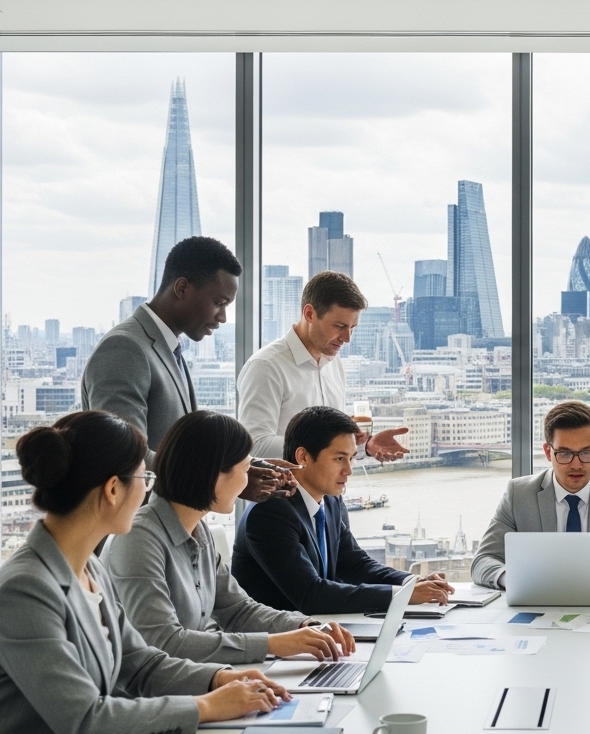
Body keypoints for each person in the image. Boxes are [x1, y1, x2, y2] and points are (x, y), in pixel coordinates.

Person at [0, 411, 289, 734]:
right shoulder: (24, 590)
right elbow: (85, 720)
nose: (149, 490)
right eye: (144, 478)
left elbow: (141, 665)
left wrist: (218, 678)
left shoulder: (89, 568)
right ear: (114, 489)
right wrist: (208, 705)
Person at [106, 410, 357, 665]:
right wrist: (274, 644)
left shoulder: (199, 532)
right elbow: (164, 642)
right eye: (246, 469)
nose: (248, 482)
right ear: (212, 473)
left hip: (199, 677)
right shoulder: (139, 538)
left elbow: (238, 610)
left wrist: (307, 625)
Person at [82, 235, 289, 501]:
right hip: (138, 531)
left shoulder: (167, 347)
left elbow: (188, 449)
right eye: (219, 303)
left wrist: (247, 468)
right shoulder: (124, 348)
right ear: (181, 288)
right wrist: (222, 482)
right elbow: (127, 458)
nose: (223, 317)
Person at [232, 406, 453, 613]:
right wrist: (401, 595)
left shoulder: (330, 500)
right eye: (339, 459)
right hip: (277, 642)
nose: (348, 471)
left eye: (351, 459)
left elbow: (354, 564)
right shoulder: (270, 512)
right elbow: (311, 595)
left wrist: (410, 581)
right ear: (303, 457)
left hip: (320, 630)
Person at [472, 400, 590, 590]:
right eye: (564, 454)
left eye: (586, 453)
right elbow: (482, 561)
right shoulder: (519, 494)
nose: (576, 465)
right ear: (548, 452)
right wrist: (514, 579)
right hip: (536, 604)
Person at [236, 270, 410, 463]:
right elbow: (256, 445)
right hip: (284, 492)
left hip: (329, 492)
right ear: (310, 314)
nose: (347, 338)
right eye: (339, 326)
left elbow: (334, 447)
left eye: (353, 328)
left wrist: (364, 445)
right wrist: (328, 445)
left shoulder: (334, 364)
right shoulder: (266, 366)